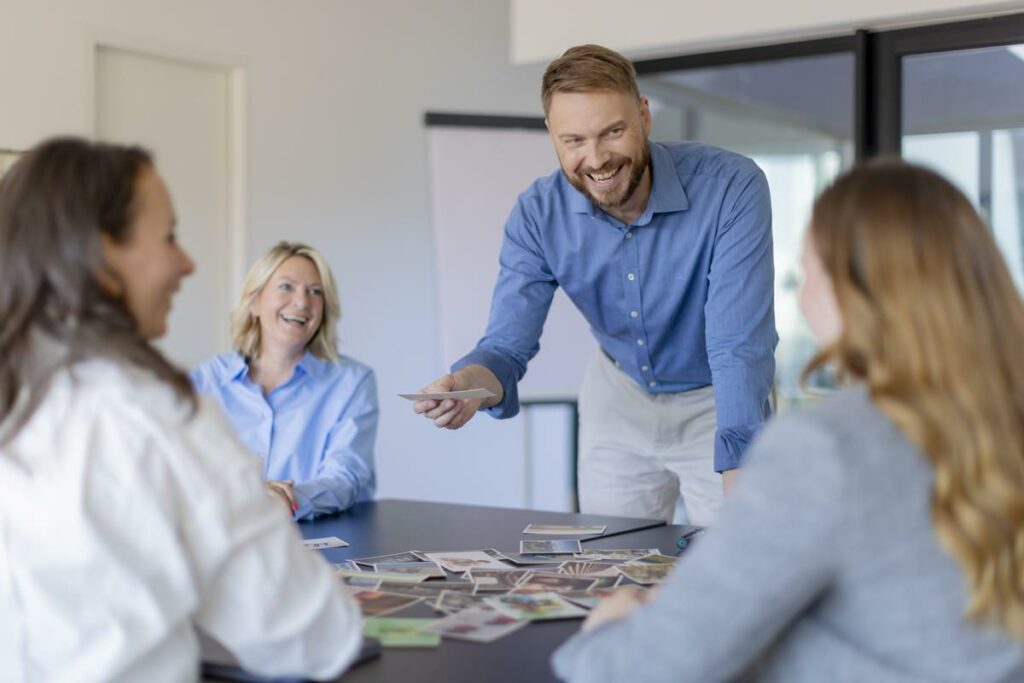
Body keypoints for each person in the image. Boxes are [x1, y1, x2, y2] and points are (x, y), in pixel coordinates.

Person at [551, 160, 1024, 682]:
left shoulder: (829, 447)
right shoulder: (1000, 417)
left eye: (806, 272)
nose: (801, 295)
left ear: (850, 289)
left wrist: (609, 626)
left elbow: (639, 671)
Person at [0, 138, 363, 680]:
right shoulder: (163, 417)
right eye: (168, 237)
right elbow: (315, 637)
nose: (186, 262)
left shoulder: (22, 401)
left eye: (313, 292)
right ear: (100, 257)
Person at [413, 44, 776, 526]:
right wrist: (468, 385)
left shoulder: (731, 188)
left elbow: (737, 348)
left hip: (716, 399)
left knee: (738, 563)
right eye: (575, 140)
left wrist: (744, 500)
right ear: (552, 136)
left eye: (613, 131)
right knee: (614, 564)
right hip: (618, 399)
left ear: (644, 116)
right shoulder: (538, 214)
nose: (597, 158)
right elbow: (505, 345)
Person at [191, 241, 377, 520]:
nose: (302, 302)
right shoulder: (206, 380)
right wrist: (249, 495)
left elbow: (346, 477)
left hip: (314, 542)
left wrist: (284, 500)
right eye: (286, 287)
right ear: (254, 301)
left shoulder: (353, 382)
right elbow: (186, 471)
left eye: (315, 292)